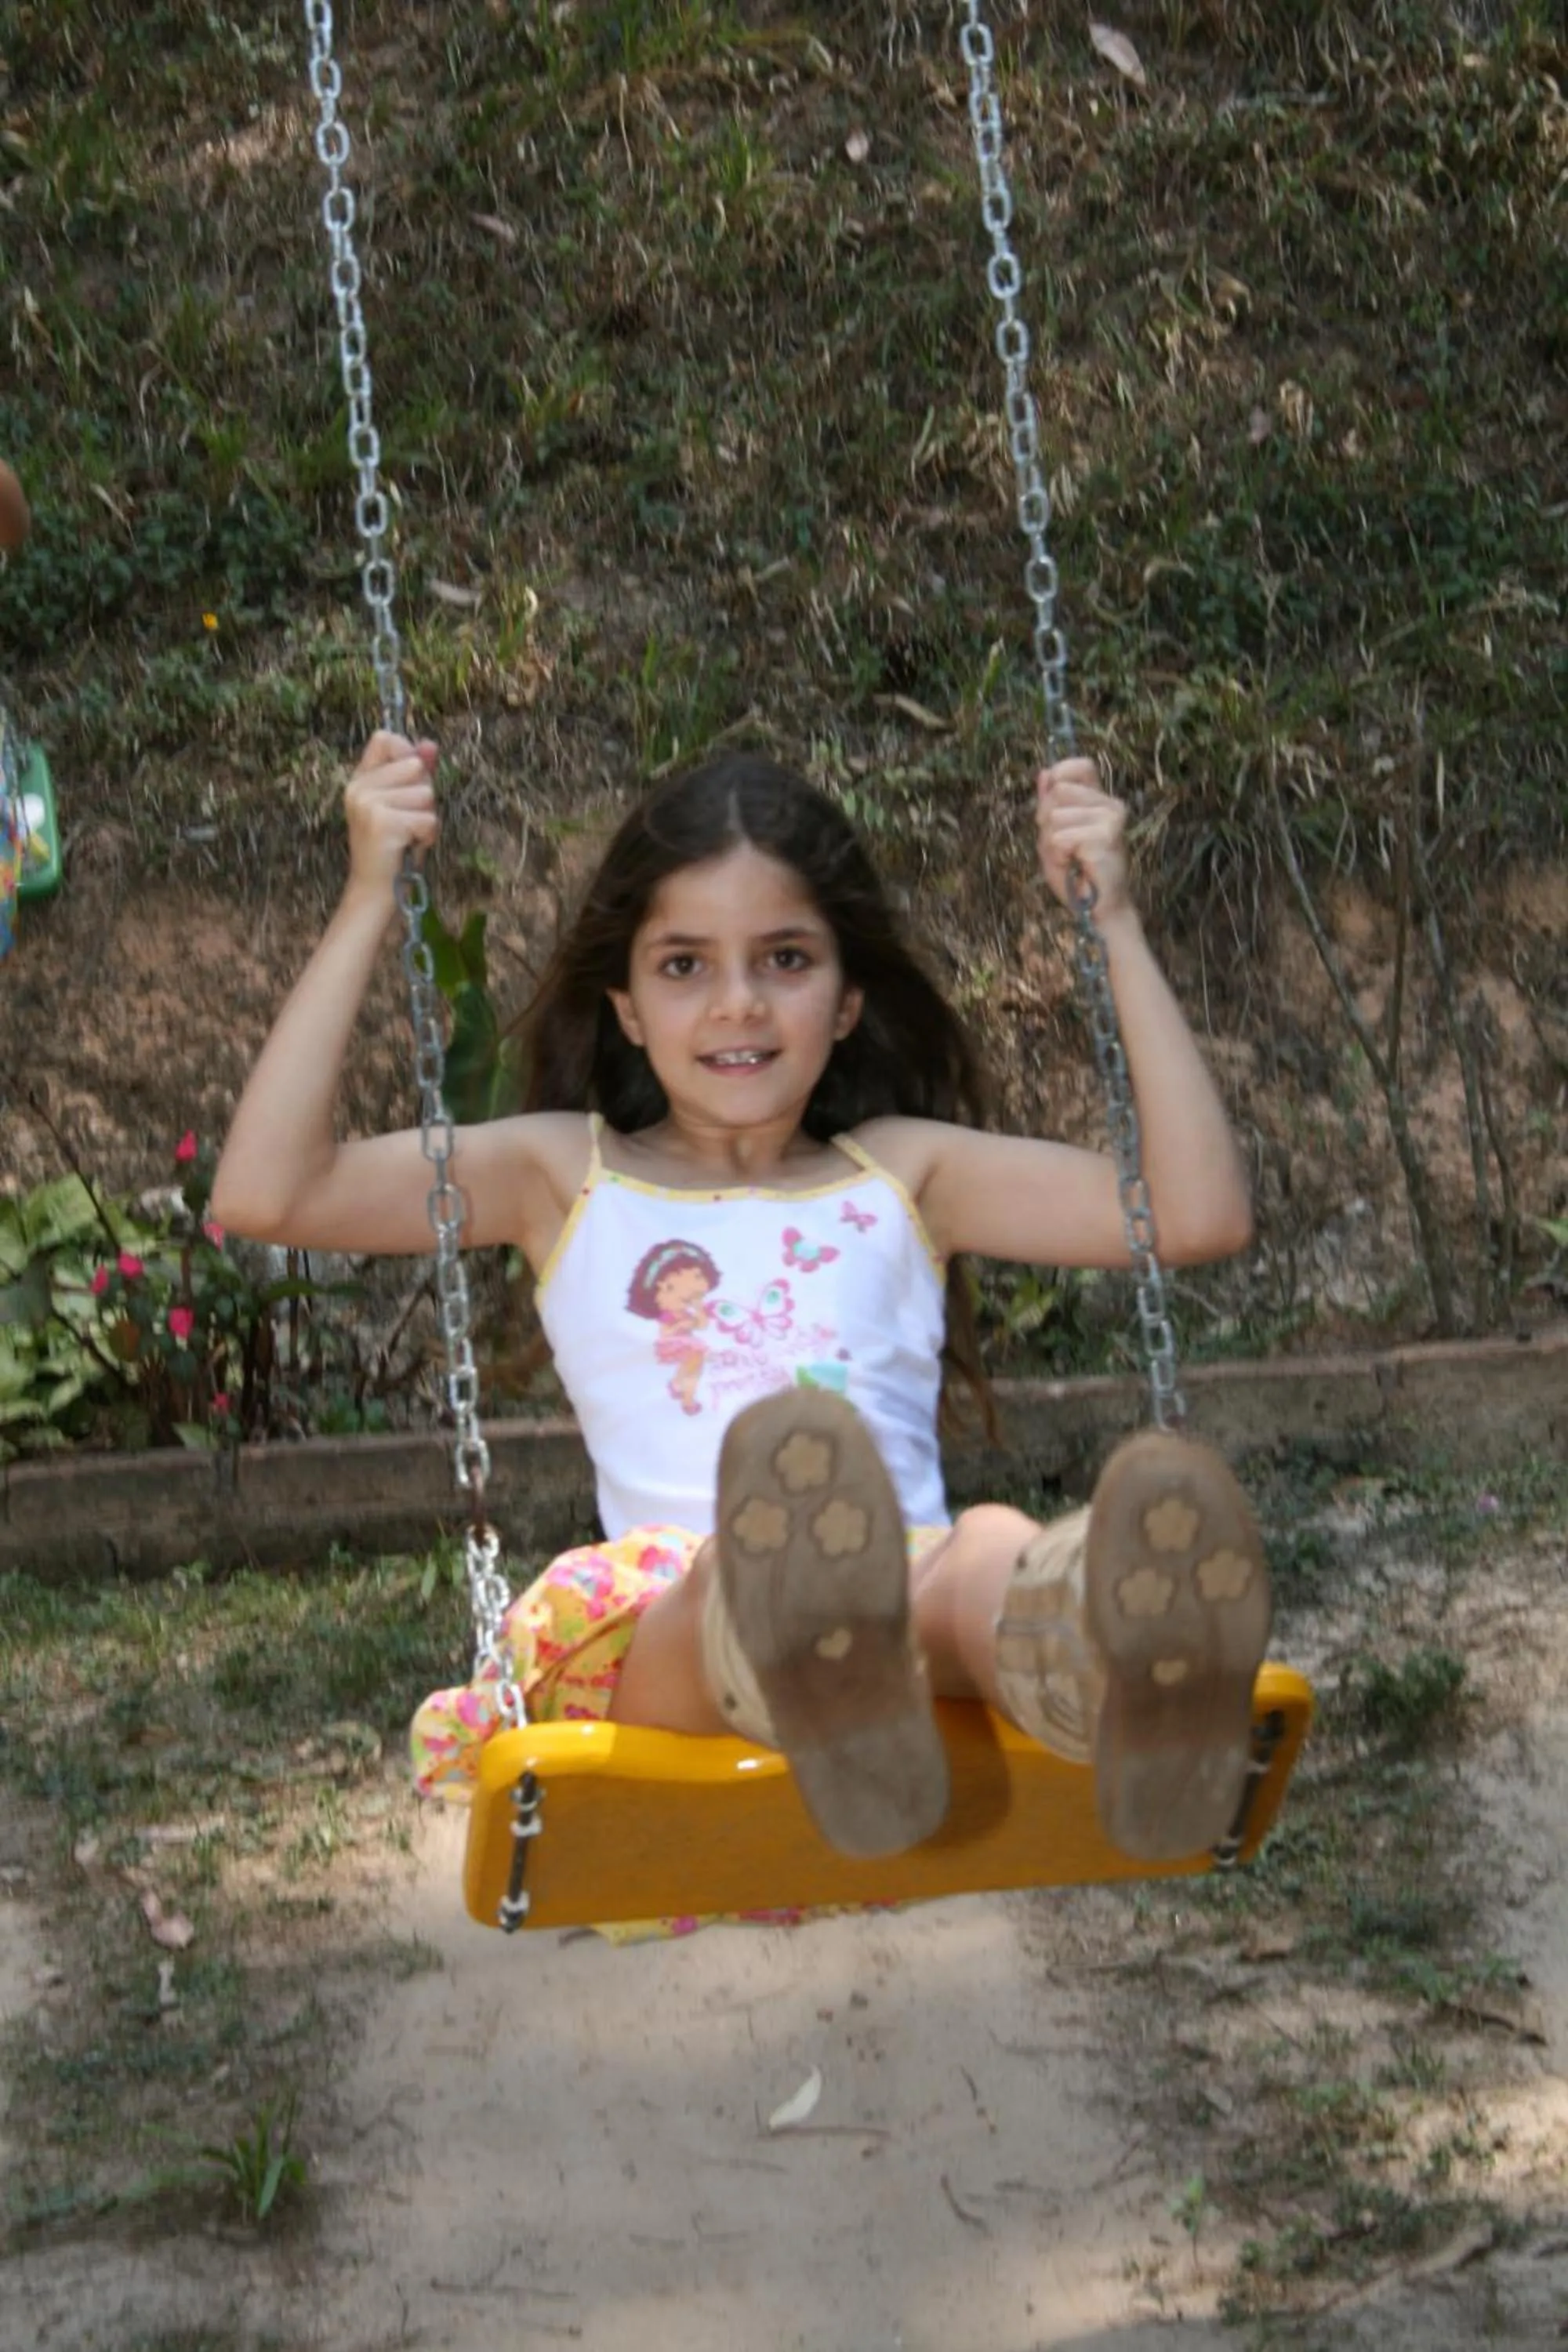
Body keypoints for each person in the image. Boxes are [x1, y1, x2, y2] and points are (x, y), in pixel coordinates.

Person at [212, 734, 1270, 1865]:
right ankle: (816, 1662)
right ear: (625, 1007)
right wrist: (369, 895)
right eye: (684, 966)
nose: (738, 1005)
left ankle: (1106, 1659)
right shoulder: (563, 1178)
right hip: (680, 1637)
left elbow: (1194, 1213)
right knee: (750, 1573)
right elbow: (270, 1192)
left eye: (785, 960)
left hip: (898, 1599)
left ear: (848, 1000)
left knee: (983, 1553)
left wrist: (1115, 922)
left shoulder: (905, 1174)